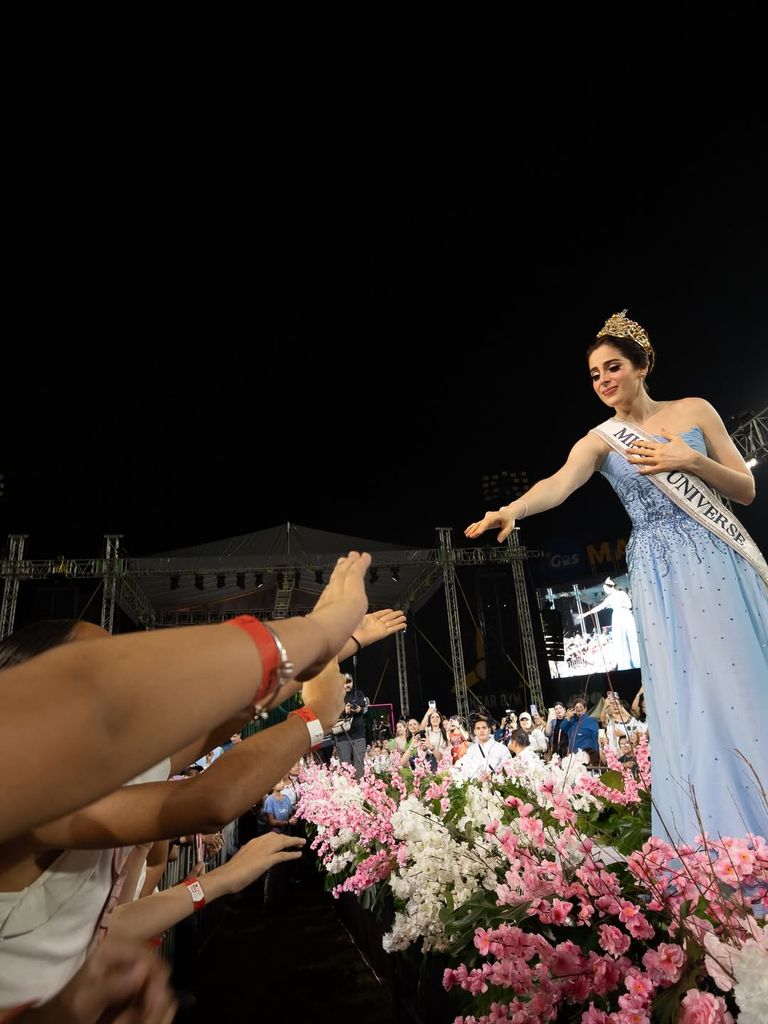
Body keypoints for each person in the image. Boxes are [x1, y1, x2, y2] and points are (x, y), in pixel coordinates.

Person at [465, 309, 768, 844]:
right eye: (594, 374)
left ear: (642, 365)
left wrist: (689, 460)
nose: (603, 380)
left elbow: (744, 488)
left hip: (717, 557)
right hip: (657, 568)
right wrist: (514, 508)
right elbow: (557, 484)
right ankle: (714, 834)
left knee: (739, 679)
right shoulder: (603, 440)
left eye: (613, 367)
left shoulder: (695, 410)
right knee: (688, 694)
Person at [0, 553, 406, 844]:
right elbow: (209, 799)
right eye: (99, 670)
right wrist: (313, 700)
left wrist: (335, 646)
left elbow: (224, 720)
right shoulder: (27, 799)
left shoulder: (95, 775)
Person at [575, 577, 641, 670]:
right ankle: (625, 663)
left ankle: (637, 661)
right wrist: (585, 614)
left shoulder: (622, 594)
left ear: (610, 587)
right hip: (617, 617)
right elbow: (599, 607)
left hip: (625, 615)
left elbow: (629, 605)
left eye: (605, 589)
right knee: (620, 639)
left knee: (631, 636)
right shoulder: (609, 598)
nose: (605, 591)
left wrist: (621, 605)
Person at [334, 673, 368, 778]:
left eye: (349, 682)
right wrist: (344, 711)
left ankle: (361, 789)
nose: (347, 685)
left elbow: (365, 709)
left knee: (359, 764)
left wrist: (359, 709)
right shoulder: (336, 697)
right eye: (344, 682)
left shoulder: (358, 694)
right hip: (342, 736)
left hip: (358, 735)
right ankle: (347, 790)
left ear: (352, 682)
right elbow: (332, 715)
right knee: (345, 765)